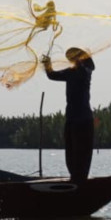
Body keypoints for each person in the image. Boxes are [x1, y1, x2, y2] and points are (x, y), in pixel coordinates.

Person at [41, 47, 96, 184]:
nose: (74, 60)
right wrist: (47, 65)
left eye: (77, 58)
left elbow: (86, 68)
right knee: (71, 153)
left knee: (81, 154)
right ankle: (75, 180)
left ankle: (80, 181)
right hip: (71, 119)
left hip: (83, 120)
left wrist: (79, 62)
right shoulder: (71, 72)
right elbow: (52, 75)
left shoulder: (85, 72)